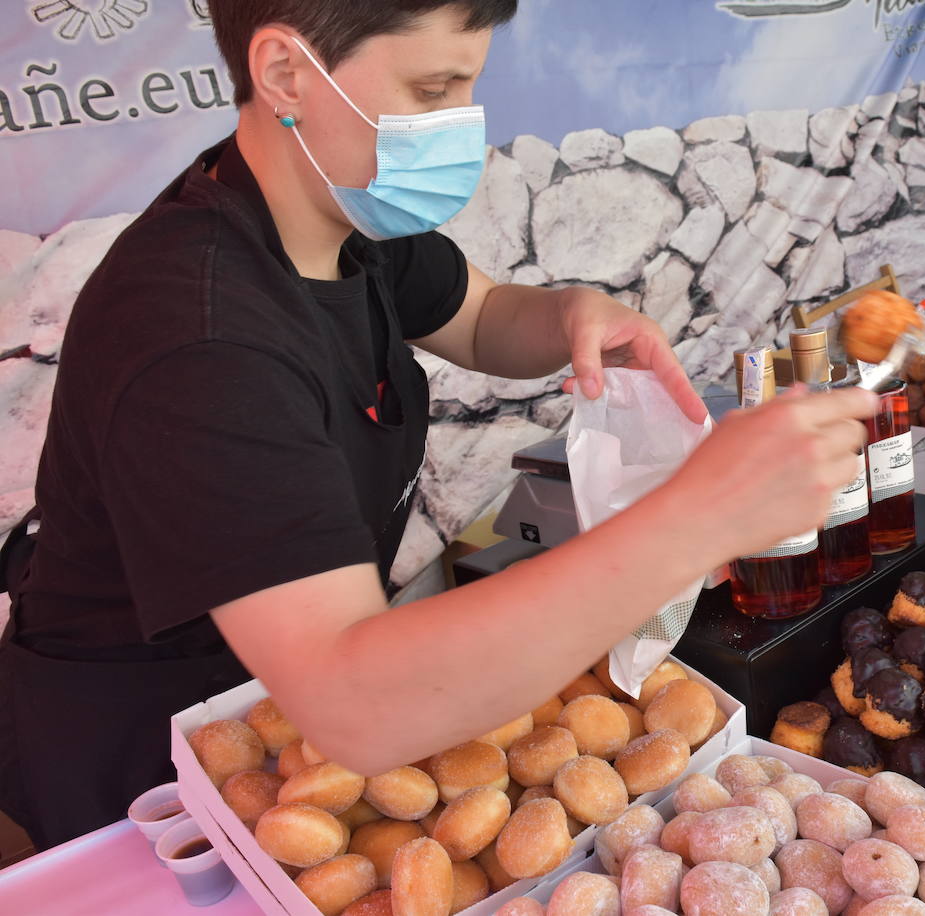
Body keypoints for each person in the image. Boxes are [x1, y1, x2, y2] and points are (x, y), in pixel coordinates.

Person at [0, 0, 876, 849]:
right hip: (148, 770)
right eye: (431, 91)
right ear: (284, 74)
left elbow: (481, 313)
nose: (463, 124)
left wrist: (572, 313)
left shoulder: (339, 207)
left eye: (469, 87)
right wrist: (701, 517)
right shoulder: (197, 334)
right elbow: (356, 700)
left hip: (304, 712)